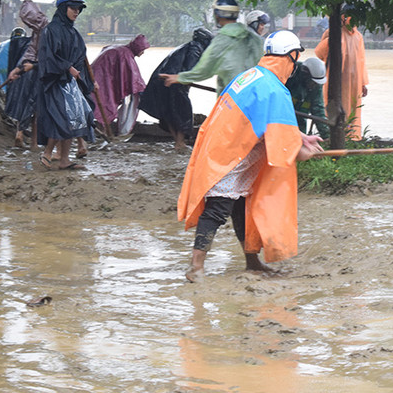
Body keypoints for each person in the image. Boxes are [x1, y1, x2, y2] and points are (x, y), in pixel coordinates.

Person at [177, 30, 324, 282]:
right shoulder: (276, 89)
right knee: (217, 210)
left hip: (220, 146)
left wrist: (300, 137)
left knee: (241, 209)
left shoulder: (253, 75)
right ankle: (196, 267)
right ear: (291, 56)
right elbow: (282, 146)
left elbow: (272, 121)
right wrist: (302, 151)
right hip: (231, 156)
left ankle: (252, 262)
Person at [36, 0, 96, 171]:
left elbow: (80, 57)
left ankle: (64, 160)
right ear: (63, 8)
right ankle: (47, 153)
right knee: (61, 117)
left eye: (78, 9)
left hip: (70, 83)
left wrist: (84, 79)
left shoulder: (73, 33)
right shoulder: (51, 30)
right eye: (72, 8)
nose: (76, 12)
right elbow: (48, 57)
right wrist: (67, 67)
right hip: (54, 81)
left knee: (75, 118)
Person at [160, 0, 263, 94]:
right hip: (257, 93)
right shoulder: (256, 38)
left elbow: (205, 70)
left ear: (217, 15)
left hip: (232, 97)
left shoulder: (222, 40)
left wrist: (179, 78)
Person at [140, 28, 214, 150]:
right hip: (173, 82)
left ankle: (178, 142)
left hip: (161, 80)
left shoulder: (185, 46)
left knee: (169, 113)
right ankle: (180, 143)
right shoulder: (196, 48)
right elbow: (189, 69)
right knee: (183, 112)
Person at [315, 4, 369, 140]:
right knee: (335, 105)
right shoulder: (333, 34)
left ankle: (352, 136)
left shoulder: (358, 36)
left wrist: (363, 83)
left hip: (354, 80)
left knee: (353, 107)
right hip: (336, 79)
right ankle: (335, 136)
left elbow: (361, 60)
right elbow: (319, 54)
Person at [6, 1, 50, 148]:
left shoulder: (42, 32)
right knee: (34, 104)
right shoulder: (43, 30)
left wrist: (20, 69)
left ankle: (23, 135)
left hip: (32, 70)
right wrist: (18, 70)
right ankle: (33, 141)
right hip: (36, 72)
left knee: (27, 101)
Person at [90, 34, 150, 136]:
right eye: (142, 50)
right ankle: (120, 131)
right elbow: (134, 80)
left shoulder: (120, 49)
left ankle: (104, 131)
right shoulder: (125, 55)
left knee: (103, 103)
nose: (143, 53)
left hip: (97, 76)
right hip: (103, 78)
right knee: (106, 103)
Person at [286, 56, 330, 139]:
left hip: (300, 120)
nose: (313, 85)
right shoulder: (290, 74)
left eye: (316, 83)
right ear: (304, 75)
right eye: (312, 82)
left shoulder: (316, 85)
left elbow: (318, 110)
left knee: (300, 142)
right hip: (281, 119)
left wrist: (327, 136)